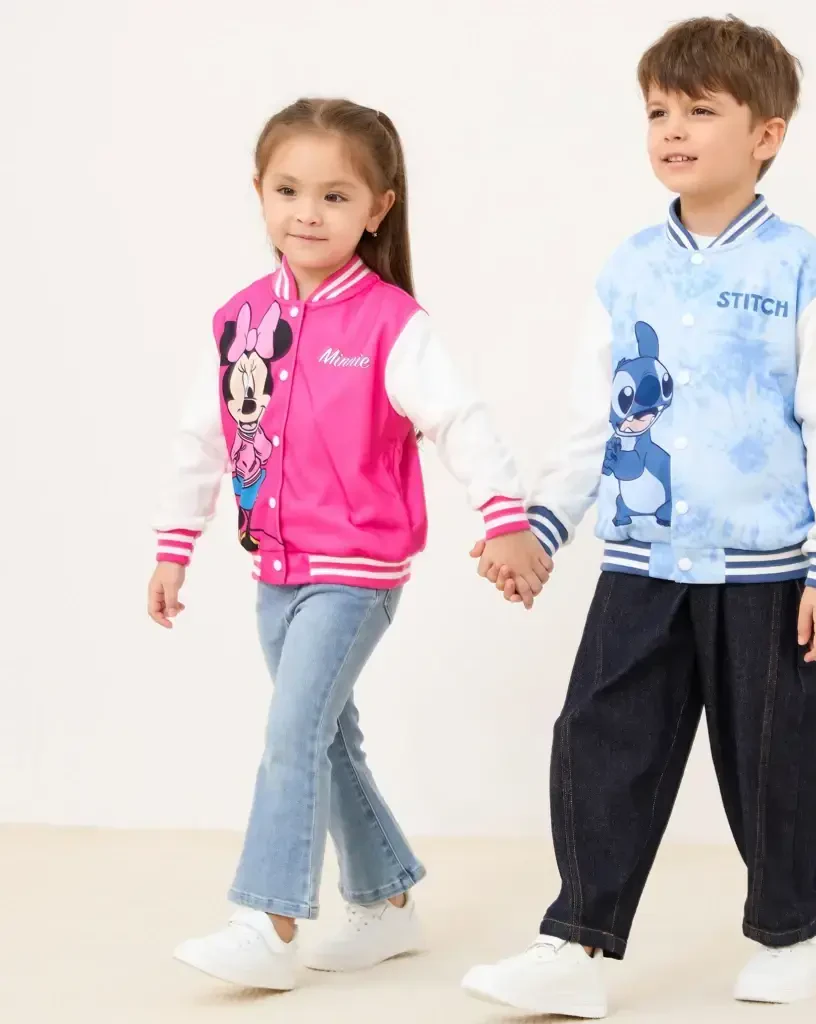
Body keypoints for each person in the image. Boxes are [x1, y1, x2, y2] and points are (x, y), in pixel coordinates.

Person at [463, 16, 816, 1017]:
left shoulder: (800, 268)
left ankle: (791, 934)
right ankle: (578, 941)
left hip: (764, 573)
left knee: (771, 756)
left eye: (700, 110)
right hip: (641, 564)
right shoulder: (628, 270)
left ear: (765, 135)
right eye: (657, 112)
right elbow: (592, 421)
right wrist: (542, 528)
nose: (673, 130)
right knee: (599, 738)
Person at [148, 97, 551, 992]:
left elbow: (460, 421)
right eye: (288, 190)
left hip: (356, 570)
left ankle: (267, 921)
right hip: (275, 568)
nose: (308, 213)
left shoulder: (391, 324)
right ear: (259, 192)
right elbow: (202, 438)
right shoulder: (239, 321)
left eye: (335, 196)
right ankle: (387, 899)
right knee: (325, 739)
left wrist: (505, 517)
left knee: (292, 730)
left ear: (378, 208)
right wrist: (175, 546)